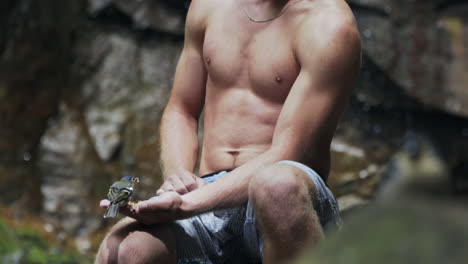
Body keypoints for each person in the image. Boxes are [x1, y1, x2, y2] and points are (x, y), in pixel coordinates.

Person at [96, 0, 361, 263]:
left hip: (288, 196)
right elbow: (181, 110)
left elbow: (288, 151)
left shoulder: (329, 24)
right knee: (123, 251)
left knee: (276, 186)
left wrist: (188, 205)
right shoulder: (209, 5)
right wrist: (177, 181)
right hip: (207, 190)